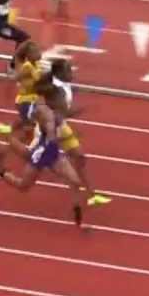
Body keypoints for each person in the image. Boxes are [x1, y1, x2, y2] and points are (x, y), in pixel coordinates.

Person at [0, 101, 89, 232]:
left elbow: (63, 116)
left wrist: (78, 112)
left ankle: (78, 218)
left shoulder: (51, 112)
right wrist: (64, 136)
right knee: (23, 186)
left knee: (75, 181)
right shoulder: (46, 117)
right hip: (41, 154)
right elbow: (51, 136)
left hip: (54, 155)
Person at [39, 59, 112, 207]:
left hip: (61, 126)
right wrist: (86, 108)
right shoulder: (57, 90)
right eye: (69, 71)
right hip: (49, 129)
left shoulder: (62, 85)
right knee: (36, 166)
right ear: (59, 74)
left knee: (79, 157)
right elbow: (65, 112)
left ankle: (91, 195)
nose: (72, 73)